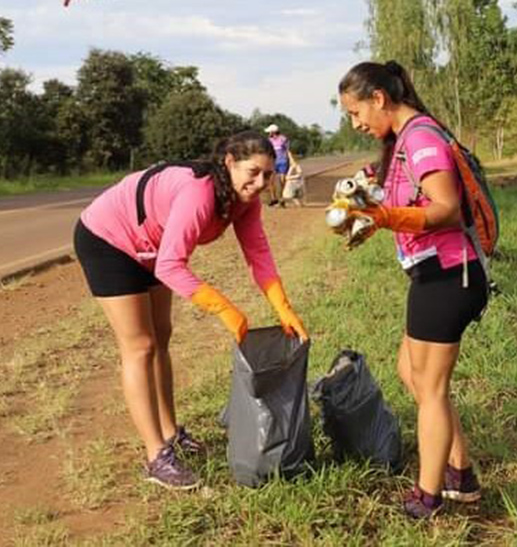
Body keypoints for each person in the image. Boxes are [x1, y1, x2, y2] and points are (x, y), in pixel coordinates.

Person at [73, 130, 309, 491]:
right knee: (140, 346)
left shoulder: (246, 200)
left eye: (267, 174)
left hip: (151, 245)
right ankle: (156, 457)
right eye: (252, 172)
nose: (261, 182)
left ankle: (170, 433)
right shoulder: (198, 194)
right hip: (109, 240)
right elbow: (171, 266)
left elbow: (258, 254)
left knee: (161, 337)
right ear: (229, 162)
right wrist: (227, 311)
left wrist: (283, 308)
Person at [337, 61, 488, 519]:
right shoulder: (402, 142)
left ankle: (429, 496)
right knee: (411, 371)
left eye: (355, 111)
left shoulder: (420, 138)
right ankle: (459, 472)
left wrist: (385, 218)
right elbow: (402, 202)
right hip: (432, 273)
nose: (356, 123)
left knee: (431, 387)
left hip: (449, 275)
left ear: (379, 98)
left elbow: (444, 208)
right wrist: (366, 212)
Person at [265, 124, 291, 207]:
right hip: (273, 162)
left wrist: (290, 161)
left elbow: (287, 150)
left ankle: (281, 198)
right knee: (271, 181)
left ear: (273, 132)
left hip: (282, 161)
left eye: (270, 132)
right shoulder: (269, 141)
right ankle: (273, 199)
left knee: (282, 181)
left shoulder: (283, 139)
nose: (269, 133)